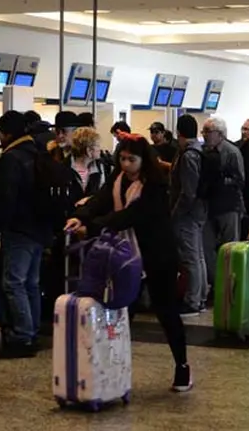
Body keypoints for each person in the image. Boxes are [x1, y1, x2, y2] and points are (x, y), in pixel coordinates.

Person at [65, 134, 192, 392]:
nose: (125, 164)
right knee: (119, 312)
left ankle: (182, 366)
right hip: (122, 256)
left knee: (166, 312)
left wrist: (90, 225)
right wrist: (81, 216)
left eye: (131, 159)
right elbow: (100, 200)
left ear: (143, 160)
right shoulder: (118, 178)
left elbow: (131, 216)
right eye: (121, 158)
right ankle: (111, 370)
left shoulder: (155, 186)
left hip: (156, 257)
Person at [0, 111, 52, 359]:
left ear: (5, 134)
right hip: (39, 229)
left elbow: (5, 198)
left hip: (19, 229)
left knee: (14, 282)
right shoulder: (37, 153)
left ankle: (23, 335)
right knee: (31, 284)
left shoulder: (11, 159)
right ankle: (32, 330)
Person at [171, 114, 208, 317]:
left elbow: (188, 191)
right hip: (199, 211)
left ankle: (193, 301)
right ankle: (199, 297)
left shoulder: (188, 155)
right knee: (198, 256)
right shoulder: (199, 151)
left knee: (191, 257)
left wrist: (175, 213)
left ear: (179, 132)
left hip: (188, 214)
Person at [67, 127, 110, 206]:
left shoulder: (101, 167)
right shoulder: (65, 168)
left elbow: (103, 194)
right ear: (88, 150)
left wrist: (89, 199)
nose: (100, 149)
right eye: (97, 145)